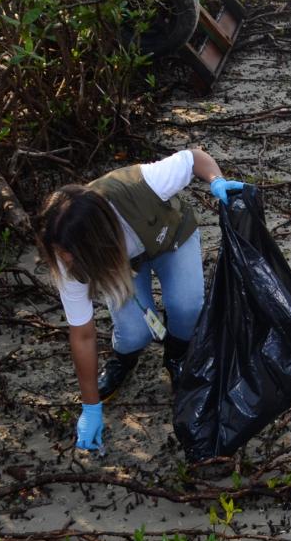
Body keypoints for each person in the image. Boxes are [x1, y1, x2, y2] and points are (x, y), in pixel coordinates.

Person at [36, 147, 243, 451]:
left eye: (72, 256)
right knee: (135, 333)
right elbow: (82, 334)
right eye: (62, 256)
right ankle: (124, 358)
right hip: (120, 264)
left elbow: (195, 158)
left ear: (96, 238)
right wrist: (90, 407)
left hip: (170, 237)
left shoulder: (143, 184)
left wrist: (216, 182)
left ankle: (176, 353)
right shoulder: (68, 259)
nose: (66, 263)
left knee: (187, 307)